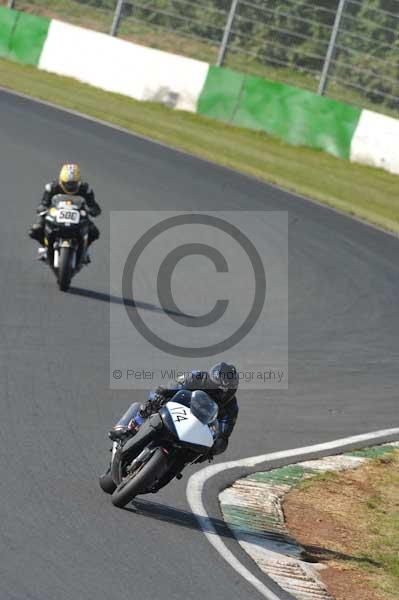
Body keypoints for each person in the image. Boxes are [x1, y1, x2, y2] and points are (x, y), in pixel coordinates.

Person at [109, 362, 239, 461]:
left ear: (232, 391)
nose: (219, 392)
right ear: (210, 379)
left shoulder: (231, 407)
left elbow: (224, 433)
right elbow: (166, 388)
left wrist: (216, 447)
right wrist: (159, 396)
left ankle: (169, 468)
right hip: (176, 412)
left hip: (196, 431)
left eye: (224, 390)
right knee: (150, 404)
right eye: (216, 387)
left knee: (202, 452)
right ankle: (131, 427)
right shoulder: (197, 377)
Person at [29, 163, 101, 260]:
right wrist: (42, 208)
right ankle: (46, 248)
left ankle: (84, 251)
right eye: (67, 184)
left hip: (78, 215)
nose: (70, 187)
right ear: (61, 180)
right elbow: (44, 203)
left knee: (94, 232)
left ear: (79, 182)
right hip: (56, 214)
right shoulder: (52, 187)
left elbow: (93, 205)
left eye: (73, 184)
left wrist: (93, 210)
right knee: (35, 230)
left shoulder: (85, 189)